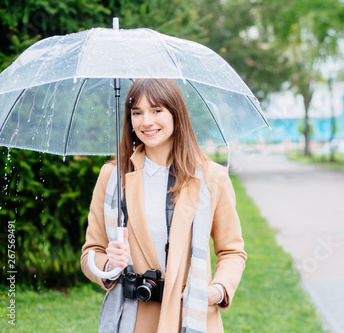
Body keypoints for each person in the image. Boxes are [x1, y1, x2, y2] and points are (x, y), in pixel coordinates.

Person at [81, 79, 246, 332]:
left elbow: (232, 252)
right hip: (130, 320)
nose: (146, 121)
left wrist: (216, 291)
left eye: (157, 110)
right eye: (137, 112)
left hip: (189, 316)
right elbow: (91, 252)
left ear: (175, 113)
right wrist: (109, 264)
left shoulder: (212, 178)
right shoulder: (112, 177)